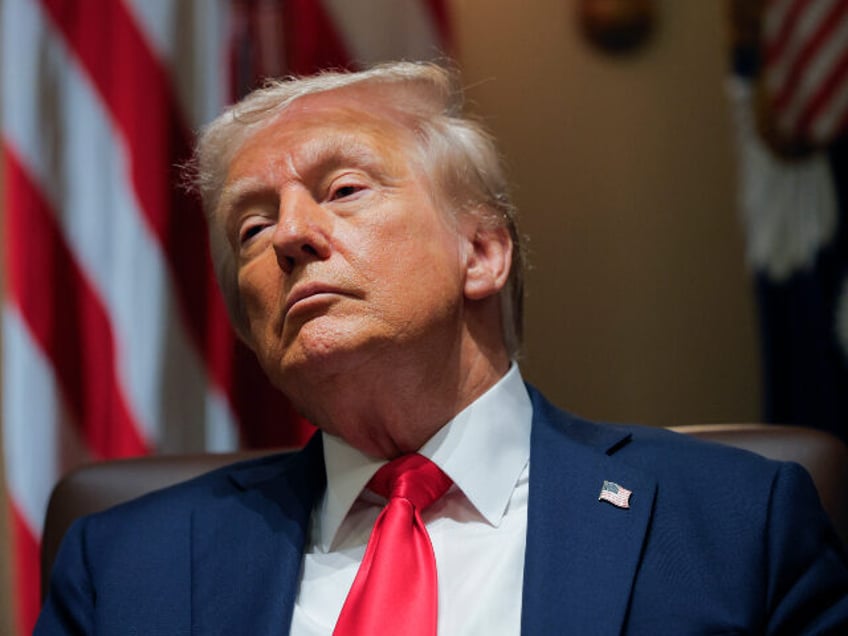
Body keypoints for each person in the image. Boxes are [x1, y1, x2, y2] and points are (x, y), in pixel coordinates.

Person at [36, 61, 848, 635]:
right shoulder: (124, 566)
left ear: (483, 253)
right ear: (250, 331)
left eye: (344, 190)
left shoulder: (735, 525)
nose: (288, 235)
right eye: (251, 226)